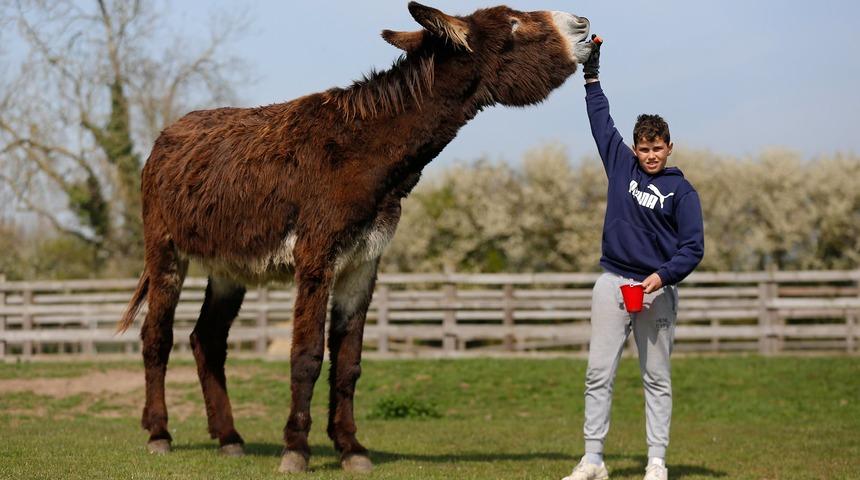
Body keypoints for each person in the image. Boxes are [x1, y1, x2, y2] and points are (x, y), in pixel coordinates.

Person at [563, 36, 705, 480]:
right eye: (643, 148)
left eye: (656, 148)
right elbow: (600, 120)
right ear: (636, 148)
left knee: (656, 378)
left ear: (668, 147)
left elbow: (693, 248)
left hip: (656, 291)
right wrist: (592, 74)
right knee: (597, 374)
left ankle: (656, 462)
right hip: (612, 285)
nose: (649, 155)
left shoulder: (682, 192)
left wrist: (662, 278)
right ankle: (593, 461)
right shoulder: (621, 165)